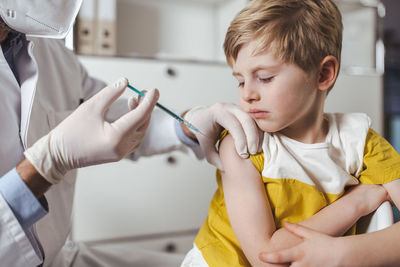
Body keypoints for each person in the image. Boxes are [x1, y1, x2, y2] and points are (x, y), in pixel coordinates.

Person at [0, 1, 263, 266]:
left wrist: (185, 125)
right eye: (241, 81)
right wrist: (44, 166)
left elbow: (117, 122)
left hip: (60, 259)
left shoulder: (50, 50)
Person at [181, 0, 400, 266]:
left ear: (323, 74)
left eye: (265, 77)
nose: (247, 94)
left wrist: (346, 251)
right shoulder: (242, 144)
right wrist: (356, 204)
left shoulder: (361, 141)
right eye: (240, 80)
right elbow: (266, 258)